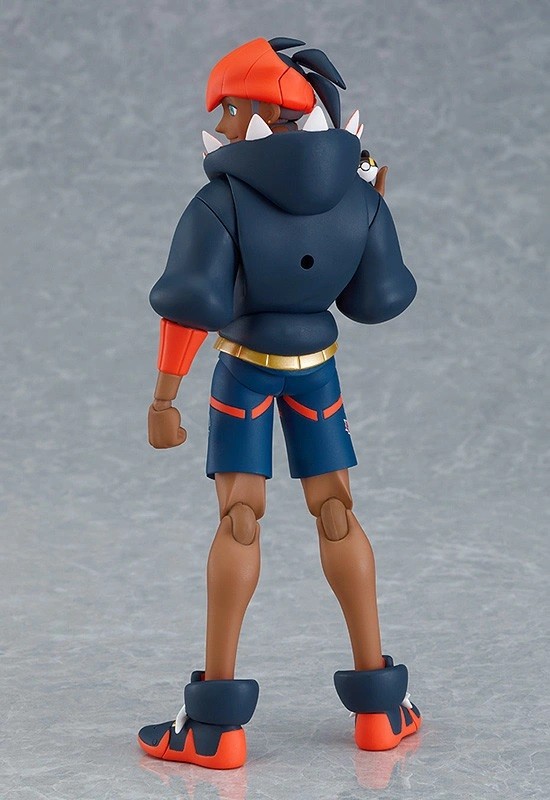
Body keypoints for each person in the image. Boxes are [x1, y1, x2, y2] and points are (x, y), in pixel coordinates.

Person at [138, 36, 421, 770]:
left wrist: (164, 399)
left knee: (240, 520)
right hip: (318, 373)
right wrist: (368, 216)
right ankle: (381, 709)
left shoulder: (221, 201)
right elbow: (379, 298)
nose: (221, 124)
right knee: (337, 511)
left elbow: (190, 306)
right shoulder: (357, 193)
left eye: (232, 108)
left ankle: (214, 727)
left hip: (245, 371)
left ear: (270, 111)